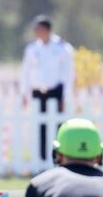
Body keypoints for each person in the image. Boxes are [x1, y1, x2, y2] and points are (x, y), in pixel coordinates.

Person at [20, 15, 74, 160]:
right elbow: (26, 72)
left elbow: (67, 73)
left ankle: (59, 158)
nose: (38, 32)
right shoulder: (32, 49)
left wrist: (65, 95)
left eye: (40, 29)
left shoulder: (63, 47)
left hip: (56, 91)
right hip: (38, 91)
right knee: (40, 127)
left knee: (58, 127)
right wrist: (24, 93)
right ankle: (42, 158)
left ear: (47, 30)